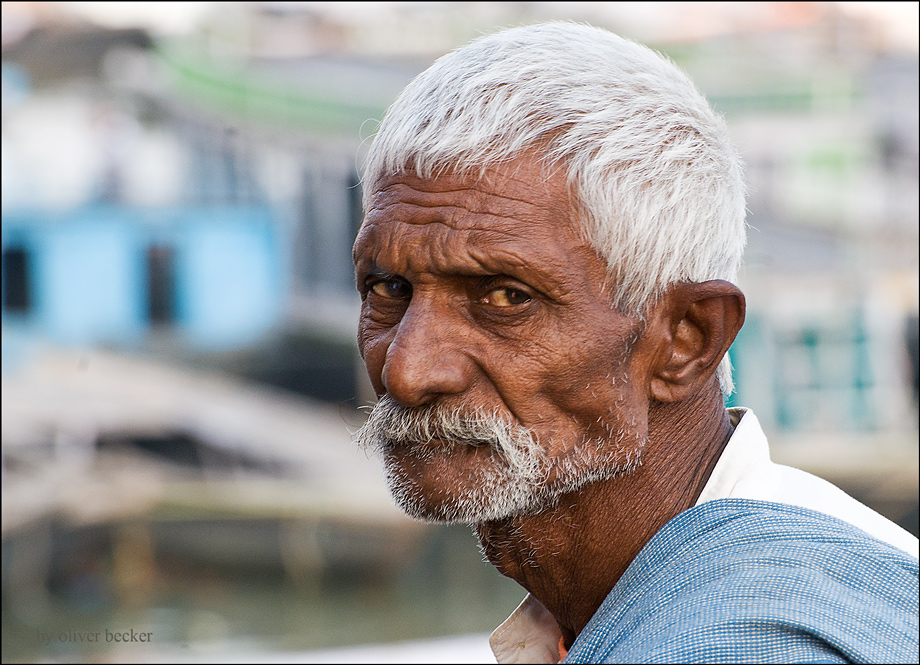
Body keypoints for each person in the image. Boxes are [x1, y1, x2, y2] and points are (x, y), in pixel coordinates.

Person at [352, 22, 918, 664]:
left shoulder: (735, 640)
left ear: (687, 339)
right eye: (388, 287)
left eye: (506, 297)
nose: (407, 369)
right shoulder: (798, 563)